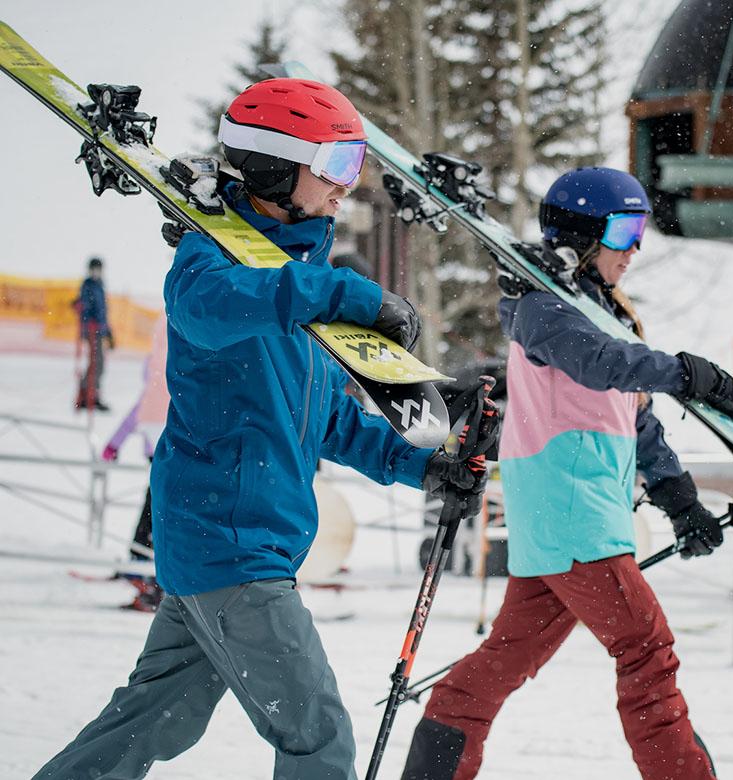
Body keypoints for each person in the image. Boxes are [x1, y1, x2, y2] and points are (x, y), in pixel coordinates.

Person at [33, 78, 486, 780]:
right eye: (335, 166)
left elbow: (329, 418)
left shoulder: (297, 283)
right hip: (231, 549)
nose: (349, 186)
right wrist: (341, 293)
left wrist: (421, 467)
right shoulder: (217, 267)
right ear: (275, 166)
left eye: (356, 167)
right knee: (319, 739)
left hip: (231, 548)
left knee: (149, 723)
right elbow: (203, 308)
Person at [401, 167, 733, 780]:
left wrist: (680, 500)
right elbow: (600, 365)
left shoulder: (606, 316)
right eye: (623, 229)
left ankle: (436, 761)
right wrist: (687, 372)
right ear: (585, 236)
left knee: (505, 658)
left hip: (566, 524)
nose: (635, 247)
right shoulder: (541, 308)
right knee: (647, 652)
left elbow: (636, 419)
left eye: (641, 227)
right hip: (574, 518)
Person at [102, 313, 169, 612]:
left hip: (162, 442)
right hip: (169, 442)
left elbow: (144, 402)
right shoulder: (179, 363)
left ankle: (143, 571)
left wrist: (116, 441)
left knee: (155, 509)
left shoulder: (159, 364)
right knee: (157, 510)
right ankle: (142, 571)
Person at [74, 256, 114, 411]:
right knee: (96, 363)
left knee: (99, 363)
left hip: (99, 330)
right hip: (91, 330)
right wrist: (86, 320)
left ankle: (92, 394)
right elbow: (84, 305)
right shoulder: (88, 285)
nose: (96, 272)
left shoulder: (100, 285)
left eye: (98, 269)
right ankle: (86, 395)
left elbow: (102, 312)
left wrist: (108, 332)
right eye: (93, 269)